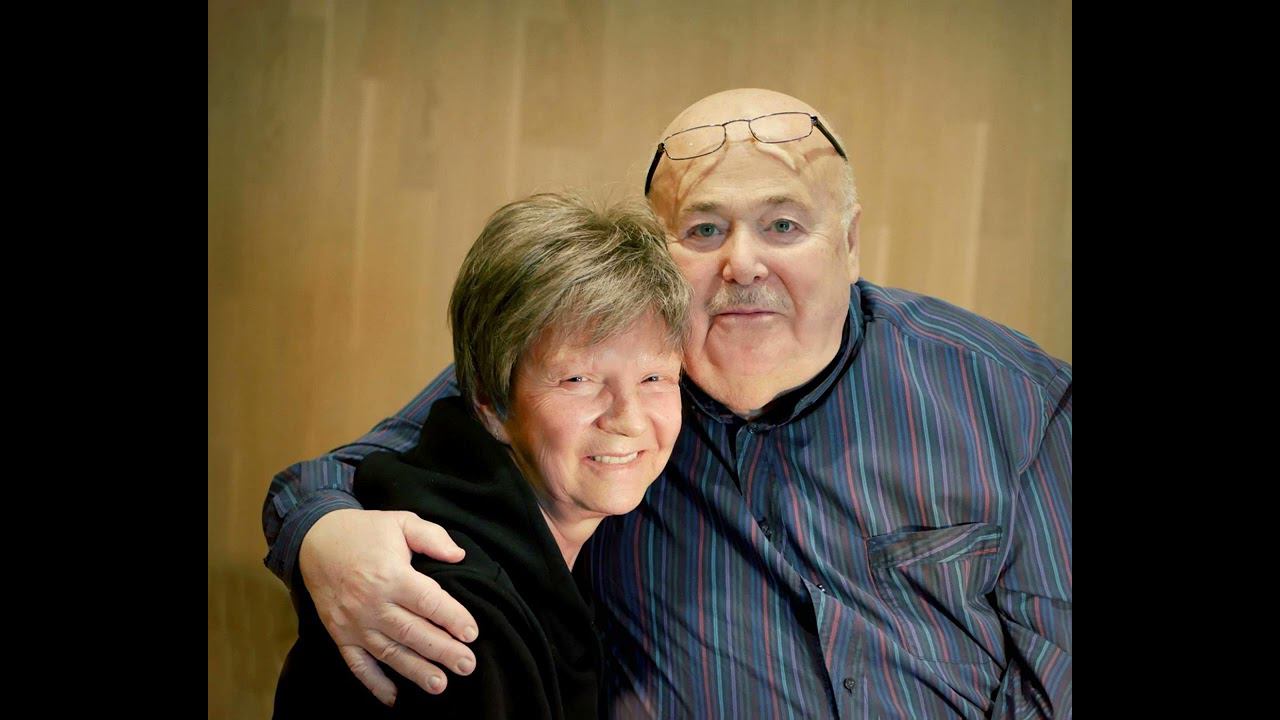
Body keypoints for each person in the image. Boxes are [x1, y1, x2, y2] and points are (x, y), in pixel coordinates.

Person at [263, 88, 1072, 718]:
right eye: (704, 230)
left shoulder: (1014, 399)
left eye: (783, 225)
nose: (743, 263)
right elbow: (351, 472)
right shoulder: (594, 376)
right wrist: (320, 536)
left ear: (851, 242)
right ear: (656, 254)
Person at [271, 193, 690, 718]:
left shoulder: (542, 550)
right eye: (577, 379)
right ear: (490, 404)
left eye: (654, 377)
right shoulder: (449, 616)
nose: (627, 418)